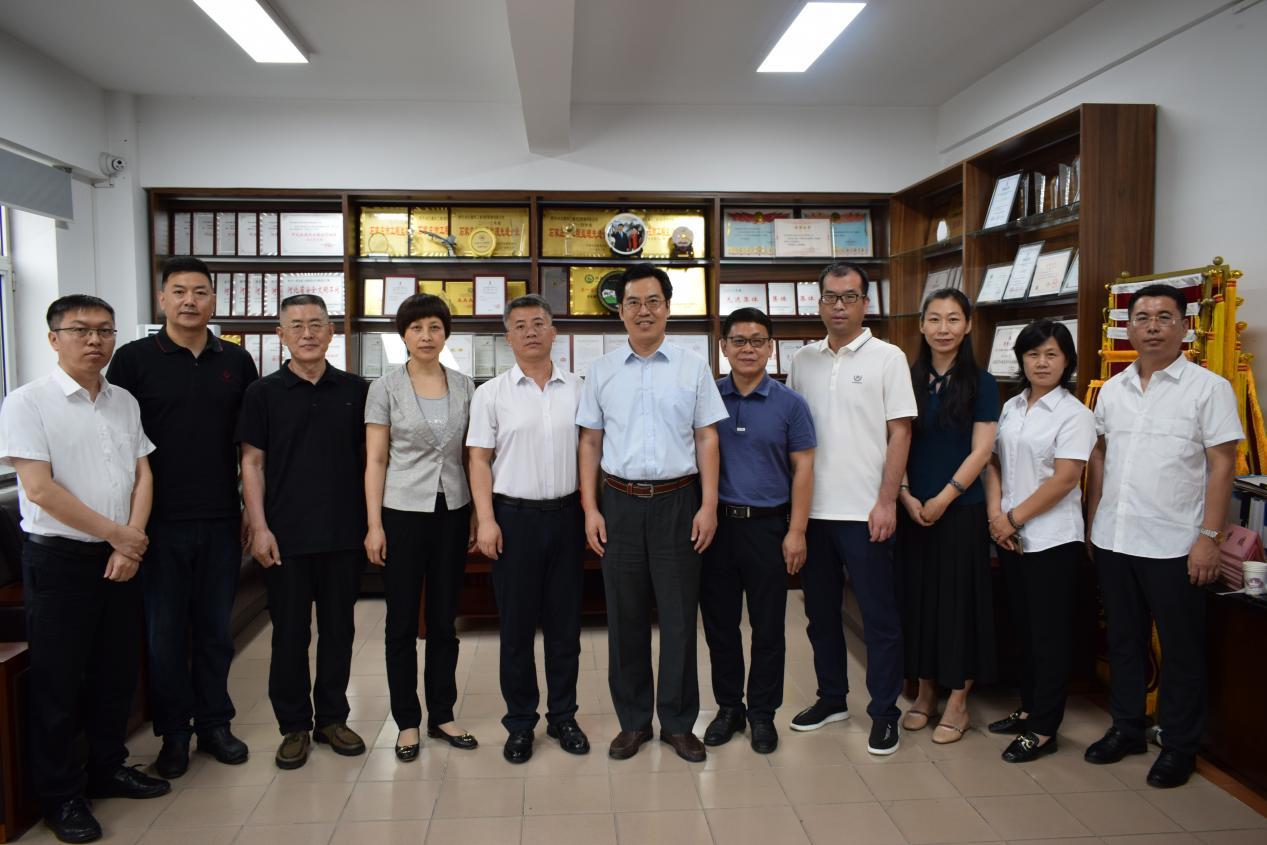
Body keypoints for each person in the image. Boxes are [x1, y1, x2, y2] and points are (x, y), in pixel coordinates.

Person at [0, 295, 170, 843]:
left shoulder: (123, 401)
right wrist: (119, 535)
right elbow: (39, 489)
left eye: (105, 330)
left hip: (121, 556)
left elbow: (143, 475)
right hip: (60, 559)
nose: (94, 340)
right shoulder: (26, 403)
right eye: (80, 330)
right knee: (59, 679)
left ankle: (107, 767)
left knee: (116, 670)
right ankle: (60, 795)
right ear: (54, 338)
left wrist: (129, 543)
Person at [1085, 283, 1242, 788]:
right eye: (1143, 317)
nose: (1152, 326)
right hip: (1115, 537)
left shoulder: (1208, 388)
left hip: (1176, 543)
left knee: (1181, 649)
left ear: (1184, 326)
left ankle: (1178, 744)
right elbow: (1100, 456)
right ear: (1128, 327)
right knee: (1124, 641)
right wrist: (1093, 524)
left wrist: (1209, 537)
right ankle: (1127, 727)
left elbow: (1223, 466)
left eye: (1164, 317)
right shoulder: (1113, 390)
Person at [107, 257, 257, 778]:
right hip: (157, 523)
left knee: (215, 629)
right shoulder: (132, 360)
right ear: (162, 299)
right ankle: (173, 733)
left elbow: (248, 447)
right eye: (179, 291)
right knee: (165, 633)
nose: (190, 301)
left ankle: (215, 724)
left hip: (220, 516)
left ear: (214, 300)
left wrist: (248, 508)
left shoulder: (236, 360)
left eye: (200, 292)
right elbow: (119, 445)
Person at [577, 263, 728, 763]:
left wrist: (708, 505)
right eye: (633, 303)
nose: (643, 311)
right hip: (619, 503)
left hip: (679, 502)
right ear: (620, 311)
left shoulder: (693, 366)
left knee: (680, 617)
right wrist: (590, 508)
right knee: (625, 618)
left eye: (653, 301)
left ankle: (679, 724)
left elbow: (707, 437)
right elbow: (590, 442)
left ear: (667, 307)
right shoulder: (601, 370)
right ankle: (634, 722)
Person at [786, 262, 916, 756]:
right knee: (820, 614)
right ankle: (832, 698)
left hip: (866, 513)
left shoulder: (889, 358)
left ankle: (884, 712)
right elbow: (794, 440)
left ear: (865, 303)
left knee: (879, 618)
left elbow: (900, 433)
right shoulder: (802, 360)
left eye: (849, 297)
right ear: (818, 302)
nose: (838, 306)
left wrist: (886, 501)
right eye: (830, 297)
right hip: (813, 513)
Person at [237, 294, 370, 770]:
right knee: (290, 635)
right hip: (285, 536)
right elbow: (252, 463)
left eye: (316, 324)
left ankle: (332, 719)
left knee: (339, 631)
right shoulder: (262, 393)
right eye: (296, 325)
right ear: (281, 335)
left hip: (344, 533)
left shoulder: (356, 389)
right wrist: (259, 527)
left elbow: (372, 461)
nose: (307, 333)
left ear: (332, 331)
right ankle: (293, 726)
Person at [467, 294, 589, 764]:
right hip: (512, 519)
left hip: (567, 516)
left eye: (539, 323)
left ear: (554, 332)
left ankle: (563, 716)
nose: (530, 332)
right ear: (508, 338)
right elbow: (479, 460)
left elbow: (591, 454)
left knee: (565, 627)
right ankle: (520, 722)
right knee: (516, 629)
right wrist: (486, 520)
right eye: (519, 325)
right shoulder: (491, 393)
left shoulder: (578, 389)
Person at [364, 293, 478, 760]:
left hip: (453, 511)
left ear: (446, 333)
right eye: (416, 328)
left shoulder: (466, 385)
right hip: (401, 513)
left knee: (445, 619)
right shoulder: (385, 388)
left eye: (434, 327)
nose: (426, 336)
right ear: (403, 335)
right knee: (401, 622)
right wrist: (374, 524)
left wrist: (476, 513)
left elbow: (472, 456)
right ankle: (407, 721)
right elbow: (375, 459)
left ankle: (442, 714)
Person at [701, 307, 815, 754]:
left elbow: (803, 469)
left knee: (768, 627)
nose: (747, 349)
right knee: (720, 626)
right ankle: (729, 707)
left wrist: (797, 531)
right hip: (717, 528)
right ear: (724, 347)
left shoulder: (791, 403)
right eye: (738, 341)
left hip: (769, 527)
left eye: (757, 341)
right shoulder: (707, 397)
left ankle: (763, 713)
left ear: (771, 347)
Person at [982, 319, 1095, 763]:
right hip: (1010, 536)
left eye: (1051, 354)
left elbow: (1065, 479)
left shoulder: (1075, 414)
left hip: (1052, 541)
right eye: (1033, 354)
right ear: (1021, 360)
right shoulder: (1011, 407)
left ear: (1067, 361)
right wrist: (997, 517)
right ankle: (1028, 708)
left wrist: (1011, 518)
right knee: (1023, 630)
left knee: (1049, 636)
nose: (1041, 363)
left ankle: (1045, 728)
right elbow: (993, 463)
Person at [895, 288, 999, 745]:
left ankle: (958, 700)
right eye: (934, 319)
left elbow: (982, 452)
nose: (943, 328)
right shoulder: (907, 378)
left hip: (960, 511)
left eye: (953, 319)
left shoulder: (982, 382)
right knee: (919, 601)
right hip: (912, 509)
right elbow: (894, 441)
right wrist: (904, 495)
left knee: (958, 604)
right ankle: (925, 692)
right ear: (921, 325)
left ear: (968, 325)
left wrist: (944, 498)